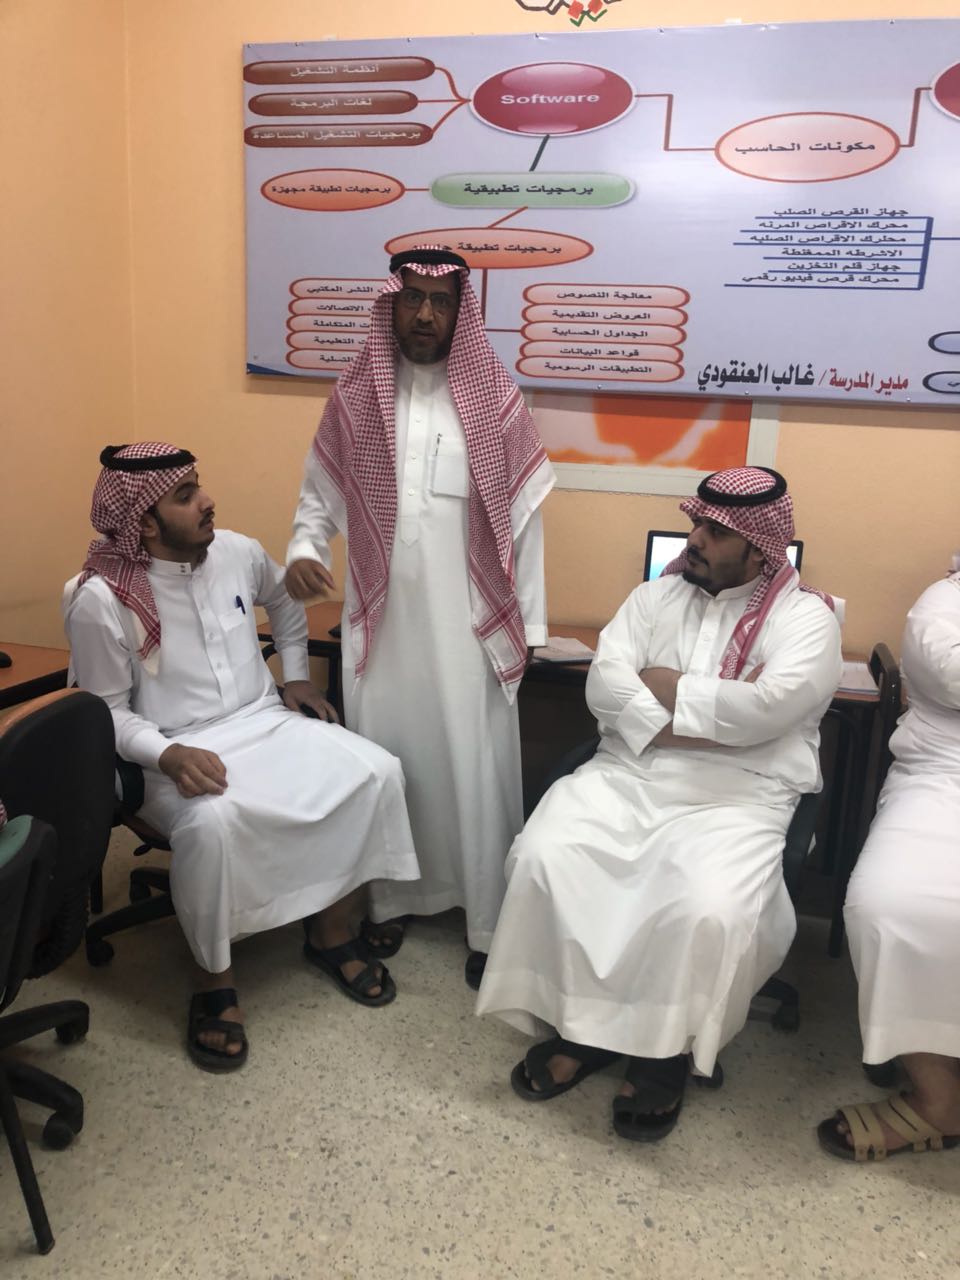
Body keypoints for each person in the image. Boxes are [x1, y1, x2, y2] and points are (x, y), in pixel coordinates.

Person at [477, 466, 842, 1142]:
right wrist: (701, 720)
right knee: (545, 857)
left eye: (715, 532)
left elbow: (770, 710)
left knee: (706, 905)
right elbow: (604, 689)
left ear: (759, 549)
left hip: (740, 796)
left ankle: (663, 1053)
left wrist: (663, 689)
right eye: (696, 523)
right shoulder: (652, 598)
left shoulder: (807, 620)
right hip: (629, 772)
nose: (694, 539)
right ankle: (582, 1028)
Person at [65, 443, 419, 1072]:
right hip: (171, 749)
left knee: (375, 771)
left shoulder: (235, 551)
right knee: (212, 823)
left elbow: (283, 601)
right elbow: (105, 712)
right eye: (186, 496)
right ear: (145, 523)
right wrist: (168, 754)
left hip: (264, 720)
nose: (208, 502)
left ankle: (330, 932)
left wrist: (296, 676)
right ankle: (214, 983)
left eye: (199, 486)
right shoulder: (100, 599)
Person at [285, 246, 554, 986]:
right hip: (383, 629)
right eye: (413, 299)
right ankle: (393, 900)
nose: (426, 314)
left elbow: (526, 527)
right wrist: (304, 550)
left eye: (441, 301)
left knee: (473, 769)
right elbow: (316, 500)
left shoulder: (495, 401)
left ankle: (485, 917)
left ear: (461, 311)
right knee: (390, 762)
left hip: (468, 630)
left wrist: (529, 630)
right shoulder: (354, 398)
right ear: (392, 305)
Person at [818, 572, 960, 1161]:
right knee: (886, 907)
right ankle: (938, 1097)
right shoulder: (945, 602)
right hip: (944, 775)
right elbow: (949, 672)